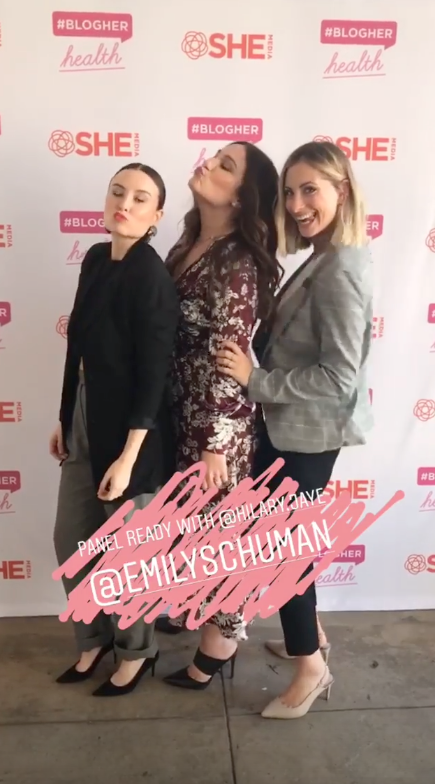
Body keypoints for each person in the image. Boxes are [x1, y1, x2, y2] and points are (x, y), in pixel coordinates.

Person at [216, 140, 374, 718]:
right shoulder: (324, 255)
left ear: (342, 191)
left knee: (284, 553)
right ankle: (312, 636)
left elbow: (338, 378)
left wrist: (255, 381)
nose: (297, 204)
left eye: (311, 190)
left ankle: (310, 668)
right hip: (293, 430)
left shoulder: (342, 268)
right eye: (289, 191)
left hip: (307, 435)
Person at [51, 162, 179, 697]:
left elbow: (154, 376)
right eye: (117, 192)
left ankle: (136, 652)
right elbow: (76, 346)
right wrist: (64, 416)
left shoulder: (152, 276)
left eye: (140, 198)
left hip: (133, 435)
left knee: (128, 557)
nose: (124, 203)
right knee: (71, 540)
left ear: (156, 216)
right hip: (86, 417)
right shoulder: (95, 258)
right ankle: (94, 639)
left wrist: (128, 458)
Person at [158, 141, 283, 690]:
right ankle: (195, 609)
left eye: (226, 166)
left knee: (218, 539)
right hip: (178, 413)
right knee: (188, 530)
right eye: (216, 156)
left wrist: (213, 442)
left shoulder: (236, 261)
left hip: (216, 427)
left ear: (240, 198)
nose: (208, 162)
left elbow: (226, 361)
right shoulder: (189, 240)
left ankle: (220, 645)